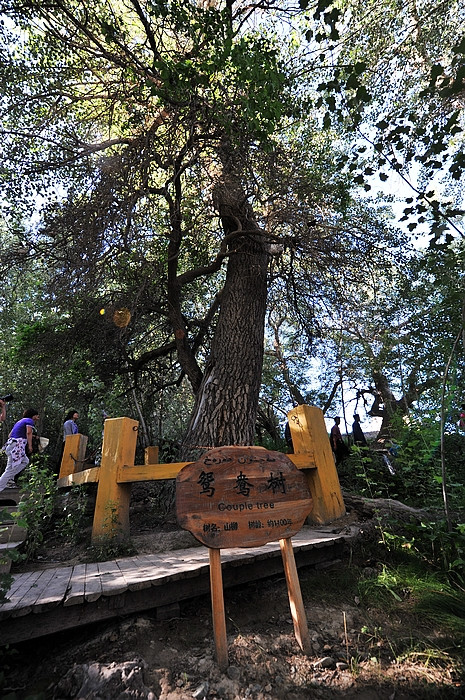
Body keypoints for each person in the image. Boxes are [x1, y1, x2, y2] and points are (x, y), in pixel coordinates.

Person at [0, 408, 39, 492]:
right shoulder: (29, 421)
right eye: (36, 415)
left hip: (11, 445)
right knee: (9, 470)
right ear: (33, 416)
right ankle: (2, 485)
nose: (37, 417)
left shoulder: (19, 421)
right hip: (16, 447)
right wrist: (30, 445)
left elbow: (10, 435)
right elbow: (28, 432)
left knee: (25, 461)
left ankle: (9, 478)